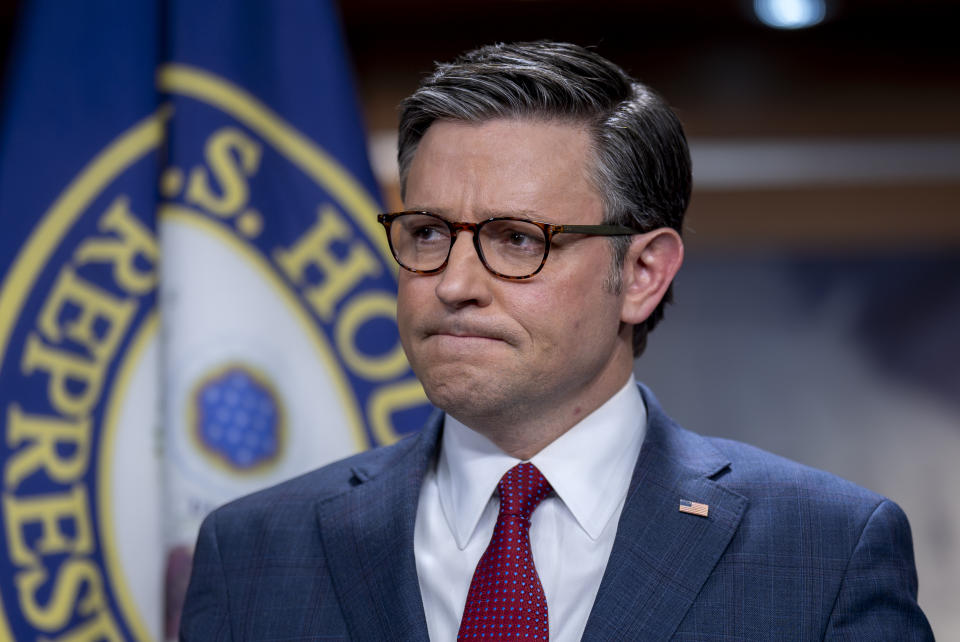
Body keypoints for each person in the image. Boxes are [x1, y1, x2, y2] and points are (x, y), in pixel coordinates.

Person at [180, 41, 933, 641]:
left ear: (642, 273)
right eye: (429, 233)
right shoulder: (255, 554)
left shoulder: (822, 553)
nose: (453, 283)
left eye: (516, 239)